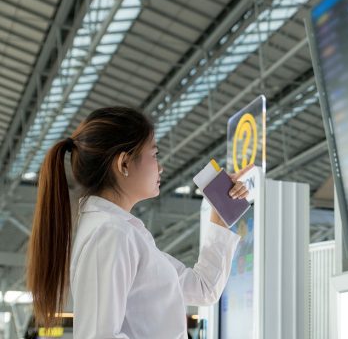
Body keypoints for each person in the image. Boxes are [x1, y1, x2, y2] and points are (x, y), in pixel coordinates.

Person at [26, 107, 250, 338]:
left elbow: (204, 289)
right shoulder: (111, 233)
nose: (160, 167)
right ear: (124, 163)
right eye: (154, 155)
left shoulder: (121, 231)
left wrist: (219, 207)